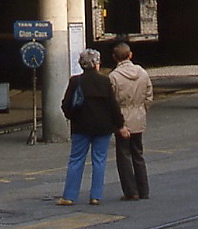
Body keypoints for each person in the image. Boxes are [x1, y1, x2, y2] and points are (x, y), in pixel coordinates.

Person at [57, 48, 128, 206]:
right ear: (96, 63)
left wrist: (72, 116)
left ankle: (69, 196)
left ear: (82, 65)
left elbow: (66, 105)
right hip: (103, 128)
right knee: (99, 160)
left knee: (76, 160)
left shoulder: (76, 82)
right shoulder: (105, 81)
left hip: (81, 127)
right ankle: (96, 196)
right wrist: (120, 125)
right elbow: (113, 106)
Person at [109, 42, 153, 201]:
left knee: (123, 156)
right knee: (138, 155)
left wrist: (117, 123)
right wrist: (142, 111)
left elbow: (111, 102)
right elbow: (149, 96)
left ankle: (131, 191)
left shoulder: (113, 77)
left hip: (122, 120)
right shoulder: (142, 72)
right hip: (138, 117)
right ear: (130, 55)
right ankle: (144, 190)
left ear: (114, 58)